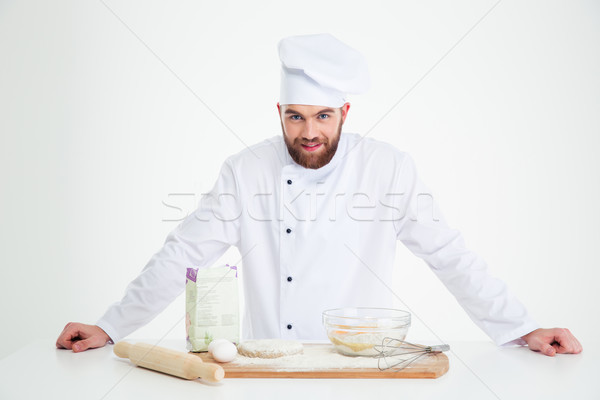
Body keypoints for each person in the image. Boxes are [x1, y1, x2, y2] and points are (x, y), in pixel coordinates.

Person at [56, 33, 582, 357]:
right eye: (296, 117)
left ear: (345, 115)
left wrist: (521, 328)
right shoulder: (244, 172)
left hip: (365, 370)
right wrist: (110, 325)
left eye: (323, 117)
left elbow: (450, 255)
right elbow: (183, 255)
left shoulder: (388, 168)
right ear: (278, 113)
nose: (310, 133)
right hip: (269, 366)